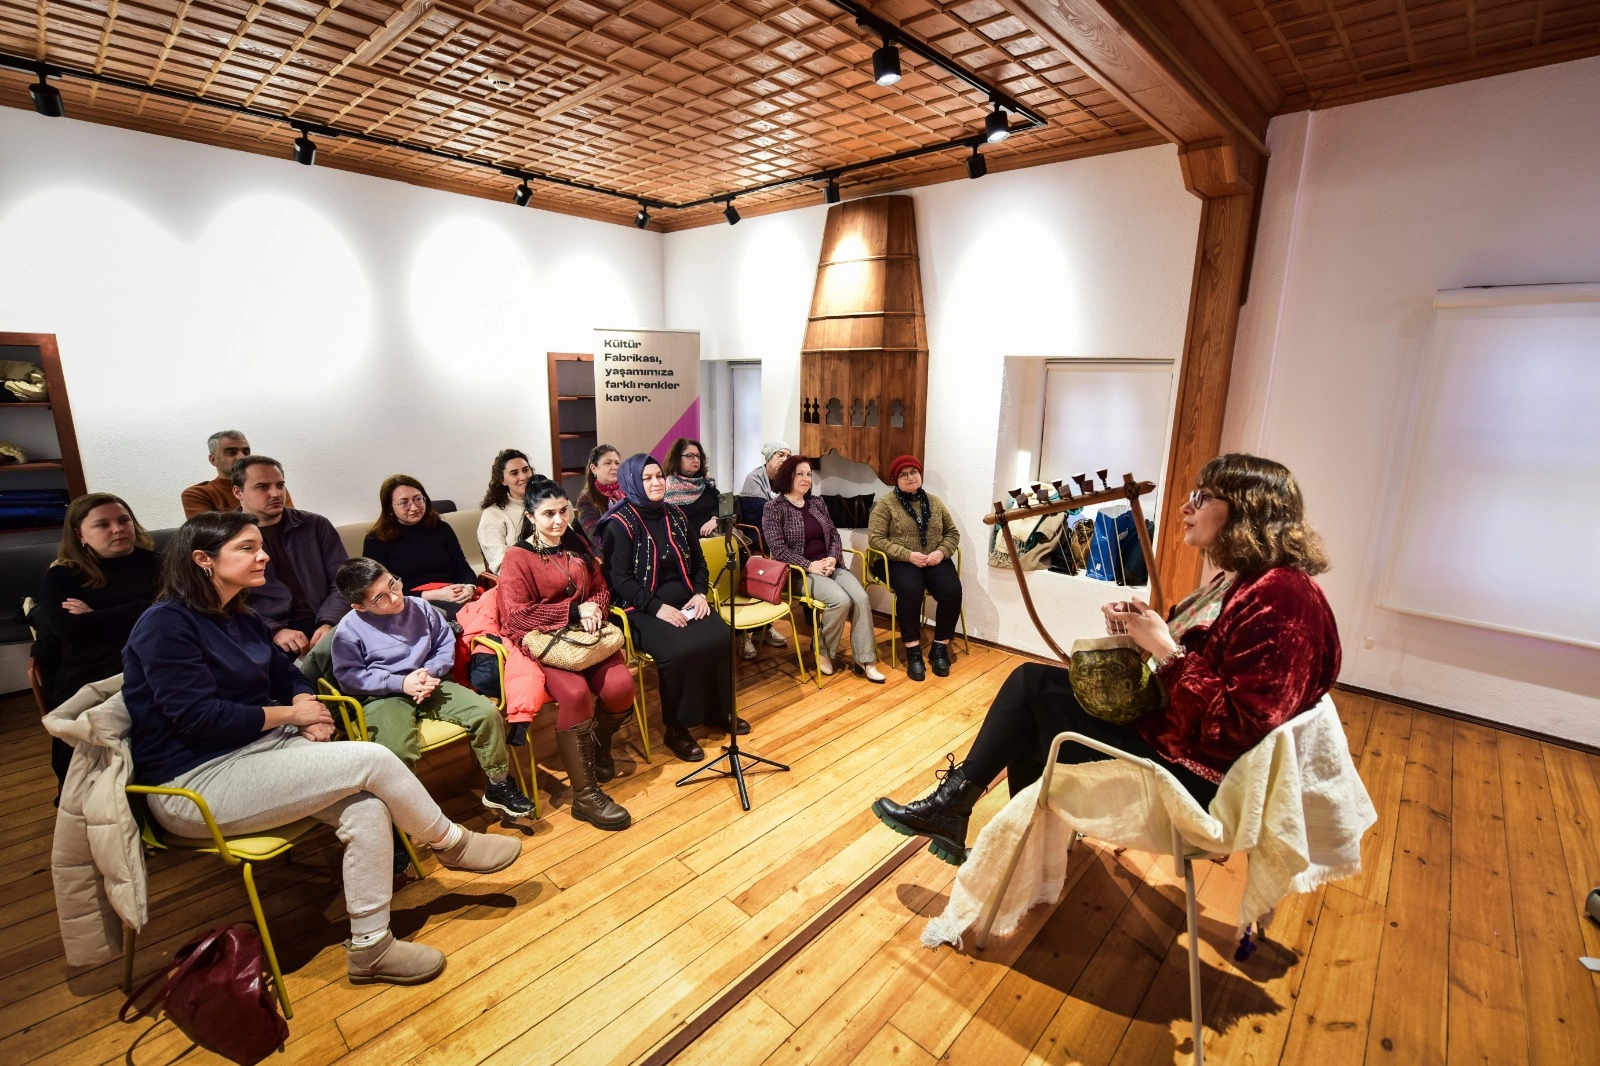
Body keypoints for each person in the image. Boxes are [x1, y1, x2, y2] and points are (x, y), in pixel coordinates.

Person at [872, 454, 1340, 865]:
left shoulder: (1283, 596)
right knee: (1032, 691)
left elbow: (1237, 727)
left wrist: (1165, 649)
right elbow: (1202, 662)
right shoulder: (1246, 581)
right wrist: (1142, 630)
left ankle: (969, 816)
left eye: (1202, 497)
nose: (1186, 507)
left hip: (1197, 779)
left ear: (1245, 511)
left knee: (1031, 699)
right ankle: (997, 832)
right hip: (1180, 739)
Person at [123, 511, 521, 985]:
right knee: (374, 757)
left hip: (261, 752)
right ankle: (451, 844)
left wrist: (302, 704)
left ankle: (371, 948)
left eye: (260, 546)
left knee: (367, 808)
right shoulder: (164, 625)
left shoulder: (240, 615)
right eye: (247, 548)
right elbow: (197, 717)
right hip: (195, 781)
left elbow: (289, 675)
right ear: (203, 560)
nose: (263, 555)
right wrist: (292, 717)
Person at [328, 557, 534, 819]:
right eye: (380, 598)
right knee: (395, 750)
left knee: (486, 713)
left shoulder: (420, 606)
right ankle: (405, 813)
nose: (395, 596)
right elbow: (349, 677)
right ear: (359, 606)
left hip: (431, 682)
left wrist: (430, 673)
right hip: (383, 695)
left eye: (393, 584)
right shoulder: (348, 630)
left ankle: (499, 784)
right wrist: (402, 683)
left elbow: (444, 644)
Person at [498, 479, 633, 830]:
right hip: (547, 643)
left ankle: (597, 746)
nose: (559, 520)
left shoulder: (575, 543)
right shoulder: (517, 558)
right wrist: (573, 612)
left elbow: (601, 588)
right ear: (531, 516)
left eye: (563, 511)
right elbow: (516, 616)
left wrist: (594, 609)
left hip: (586, 636)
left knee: (621, 688)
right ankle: (585, 797)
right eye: (548, 514)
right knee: (575, 695)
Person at [600, 454, 738, 762]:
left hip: (687, 600)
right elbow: (619, 580)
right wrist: (657, 607)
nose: (656, 483)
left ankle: (717, 711)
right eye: (647, 478)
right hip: (641, 609)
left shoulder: (675, 514)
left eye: (659, 476)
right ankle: (677, 728)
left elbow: (699, 561)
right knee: (679, 651)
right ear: (632, 483)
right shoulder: (618, 525)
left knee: (721, 637)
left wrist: (700, 594)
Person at [35, 493, 162, 788]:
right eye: (103, 524)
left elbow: (181, 612)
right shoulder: (63, 575)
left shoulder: (158, 562)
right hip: (92, 665)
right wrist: (145, 608)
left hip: (154, 654)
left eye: (124, 520)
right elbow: (70, 631)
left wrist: (97, 617)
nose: (118, 529)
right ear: (80, 535)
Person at [762, 456, 885, 683]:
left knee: (861, 598)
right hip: (799, 572)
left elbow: (834, 535)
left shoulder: (817, 503)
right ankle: (823, 650)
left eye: (809, 474)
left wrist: (832, 557)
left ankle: (866, 659)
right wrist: (810, 565)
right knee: (840, 601)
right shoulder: (774, 508)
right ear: (787, 476)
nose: (806, 478)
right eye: (800, 474)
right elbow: (778, 550)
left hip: (829, 564)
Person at [231, 456, 349, 657]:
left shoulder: (316, 525)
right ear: (238, 492)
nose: (276, 493)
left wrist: (329, 622)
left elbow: (344, 582)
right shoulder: (226, 539)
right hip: (265, 633)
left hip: (325, 620)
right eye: (262, 487)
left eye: (280, 485)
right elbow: (227, 603)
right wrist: (273, 630)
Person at [867, 455, 963, 682]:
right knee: (911, 590)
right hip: (899, 560)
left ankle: (940, 647)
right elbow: (876, 539)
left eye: (914, 472)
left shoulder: (935, 502)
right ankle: (913, 651)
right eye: (903, 474)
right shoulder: (886, 504)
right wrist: (908, 555)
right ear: (895, 479)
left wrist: (941, 552)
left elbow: (952, 533)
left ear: (920, 475)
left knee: (952, 590)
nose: (910, 477)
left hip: (933, 559)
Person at [362, 475, 476, 621]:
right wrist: (436, 595)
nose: (414, 507)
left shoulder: (441, 528)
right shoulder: (376, 539)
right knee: (465, 617)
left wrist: (469, 588)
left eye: (418, 499)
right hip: (410, 602)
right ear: (389, 507)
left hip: (453, 594)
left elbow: (463, 568)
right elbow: (380, 591)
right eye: (404, 503)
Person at [180, 430, 293, 518]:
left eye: (246, 452)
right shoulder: (197, 494)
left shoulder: (274, 488)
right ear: (213, 460)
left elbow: (291, 522)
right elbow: (207, 533)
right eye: (232, 452)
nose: (241, 456)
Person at [477, 449, 535, 575]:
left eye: (526, 470)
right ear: (503, 480)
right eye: (514, 473)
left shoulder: (547, 503)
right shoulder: (493, 514)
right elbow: (501, 564)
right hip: (520, 578)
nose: (523, 477)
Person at [663, 437, 720, 537]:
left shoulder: (706, 482)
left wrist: (715, 519)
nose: (696, 460)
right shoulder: (669, 489)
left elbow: (723, 505)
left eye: (698, 456)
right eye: (690, 456)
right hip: (691, 542)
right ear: (677, 459)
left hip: (716, 538)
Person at [574, 444, 622, 544]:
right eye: (608, 463)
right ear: (594, 468)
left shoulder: (628, 493)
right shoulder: (585, 500)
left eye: (617, 463)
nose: (615, 467)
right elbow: (597, 539)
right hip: (608, 550)